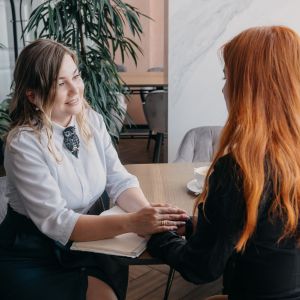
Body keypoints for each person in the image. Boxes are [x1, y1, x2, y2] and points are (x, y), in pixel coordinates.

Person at [0, 39, 188, 300]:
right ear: (32, 95)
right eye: (60, 83)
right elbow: (59, 222)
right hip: (33, 252)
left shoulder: (91, 119)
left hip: (91, 239)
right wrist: (133, 222)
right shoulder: (23, 144)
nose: (75, 90)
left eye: (75, 76)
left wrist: (147, 215)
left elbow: (118, 179)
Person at [147, 25, 300, 300]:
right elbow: (266, 238)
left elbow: (201, 268)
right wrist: (196, 227)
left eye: (227, 77)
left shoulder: (240, 170)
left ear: (248, 89)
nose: (224, 89)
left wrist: (158, 238)